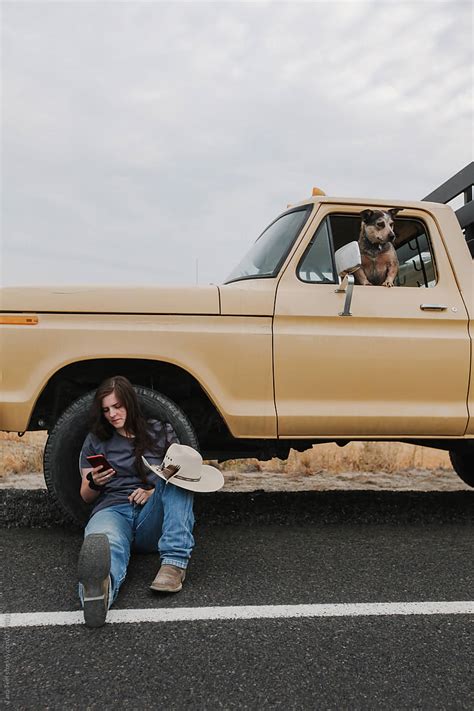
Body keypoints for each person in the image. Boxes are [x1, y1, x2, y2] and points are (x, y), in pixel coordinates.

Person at [77, 375, 223, 628]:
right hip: (113, 510)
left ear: (130, 404)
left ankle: (174, 565)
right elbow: (85, 495)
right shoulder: (96, 440)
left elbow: (178, 476)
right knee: (105, 542)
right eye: (106, 409)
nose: (112, 414)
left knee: (182, 479)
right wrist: (95, 482)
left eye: (117, 406)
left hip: (153, 516)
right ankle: (99, 592)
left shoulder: (160, 431)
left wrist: (153, 492)